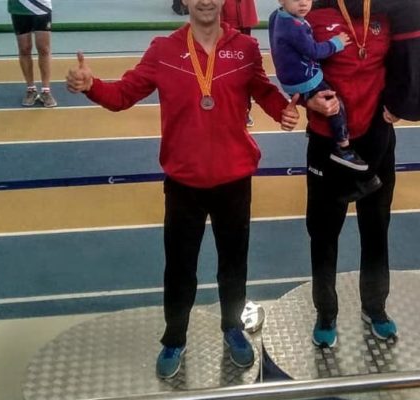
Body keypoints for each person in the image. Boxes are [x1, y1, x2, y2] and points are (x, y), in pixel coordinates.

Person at [66, 0, 299, 379]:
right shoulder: (164, 50)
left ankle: (232, 328)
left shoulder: (245, 48)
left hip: (233, 180)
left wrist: (282, 110)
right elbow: (123, 95)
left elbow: (261, 89)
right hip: (183, 183)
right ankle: (174, 337)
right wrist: (92, 86)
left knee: (233, 266)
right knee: (179, 269)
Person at [303, 0, 420, 348]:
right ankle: (326, 312)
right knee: (323, 233)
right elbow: (293, 63)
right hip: (328, 142)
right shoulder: (313, 13)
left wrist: (400, 102)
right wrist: (307, 99)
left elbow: (406, 60)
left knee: (376, 227)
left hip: (376, 140)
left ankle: (375, 306)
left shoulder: (387, 11)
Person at [269, 0, 369, 171]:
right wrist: (336, 43)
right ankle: (343, 147)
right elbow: (314, 51)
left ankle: (314, 125)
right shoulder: (294, 27)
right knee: (335, 105)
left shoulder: (277, 15)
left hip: (292, 76)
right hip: (304, 78)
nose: (303, 3)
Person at [8, 0, 57, 108]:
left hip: (41, 7)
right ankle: (31, 89)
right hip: (19, 8)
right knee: (24, 49)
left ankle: (46, 91)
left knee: (44, 48)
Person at [222, 0, 258, 127]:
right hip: (220, 17)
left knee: (244, 69)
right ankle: (224, 108)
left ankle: (244, 109)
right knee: (222, 69)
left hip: (242, 18)